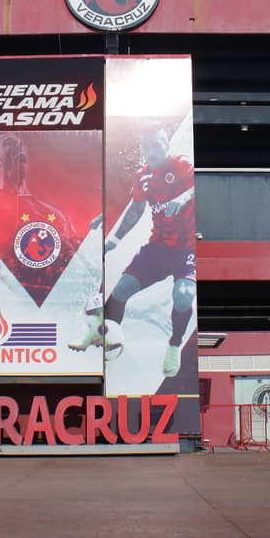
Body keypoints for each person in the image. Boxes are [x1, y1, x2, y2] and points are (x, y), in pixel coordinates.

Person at [71, 121, 196, 378]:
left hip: (187, 250)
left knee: (183, 296)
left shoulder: (181, 164)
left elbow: (200, 186)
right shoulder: (142, 177)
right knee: (121, 289)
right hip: (158, 248)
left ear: (166, 144)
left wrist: (181, 199)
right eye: (146, 146)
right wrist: (115, 239)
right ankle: (105, 335)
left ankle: (174, 344)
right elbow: (136, 208)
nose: (151, 149)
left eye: (156, 144)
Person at [0, 133, 82, 306]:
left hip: (61, 307)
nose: (19, 146)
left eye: (21, 144)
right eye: (9, 143)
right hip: (18, 306)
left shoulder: (55, 211)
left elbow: (80, 263)